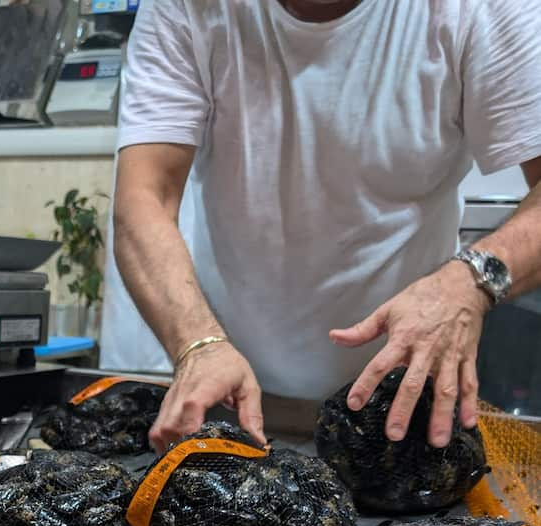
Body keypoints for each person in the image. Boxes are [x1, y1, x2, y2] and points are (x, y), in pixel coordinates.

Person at [113, 0, 541, 453]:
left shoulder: (481, 8)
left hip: (404, 411)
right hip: (229, 404)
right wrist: (196, 343)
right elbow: (146, 198)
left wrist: (467, 283)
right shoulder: (189, 7)